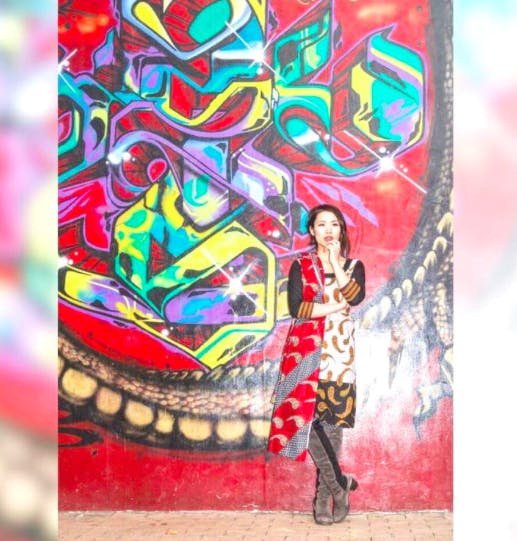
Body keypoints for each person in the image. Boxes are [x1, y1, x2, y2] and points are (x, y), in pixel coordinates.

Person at [267, 203, 366, 525]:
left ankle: (324, 498)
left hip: (339, 355)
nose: (328, 231)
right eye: (321, 225)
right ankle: (340, 485)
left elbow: (355, 297)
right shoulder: (300, 266)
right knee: (304, 420)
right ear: (312, 231)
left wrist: (336, 265)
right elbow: (298, 308)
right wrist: (336, 305)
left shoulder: (355, 266)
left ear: (341, 230)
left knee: (332, 427)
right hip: (304, 352)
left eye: (334, 225)